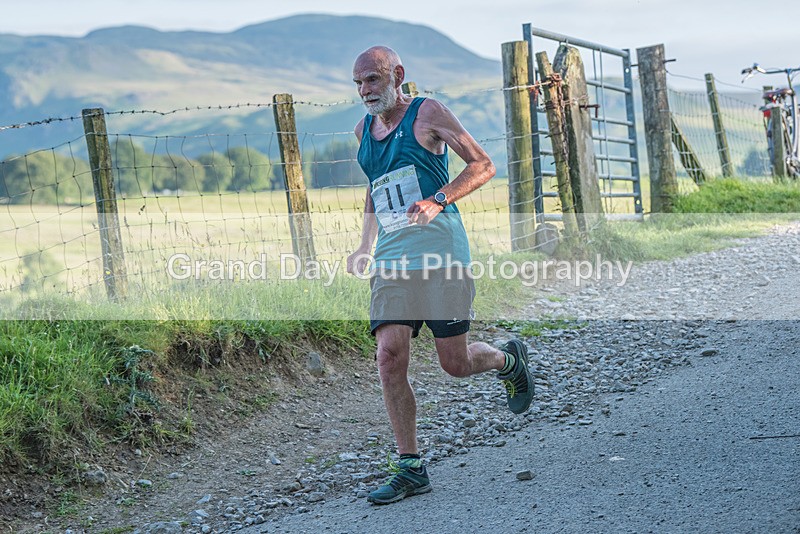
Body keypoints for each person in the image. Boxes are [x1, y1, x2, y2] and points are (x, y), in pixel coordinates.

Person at [346, 45, 534, 505]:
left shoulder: (428, 113)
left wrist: (439, 200)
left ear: (398, 75)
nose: (365, 91)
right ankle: (410, 467)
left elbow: (483, 165)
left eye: (372, 79)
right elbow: (376, 189)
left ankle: (508, 361)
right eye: (358, 83)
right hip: (393, 260)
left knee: (455, 364)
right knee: (389, 356)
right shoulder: (363, 131)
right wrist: (364, 243)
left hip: (442, 254)